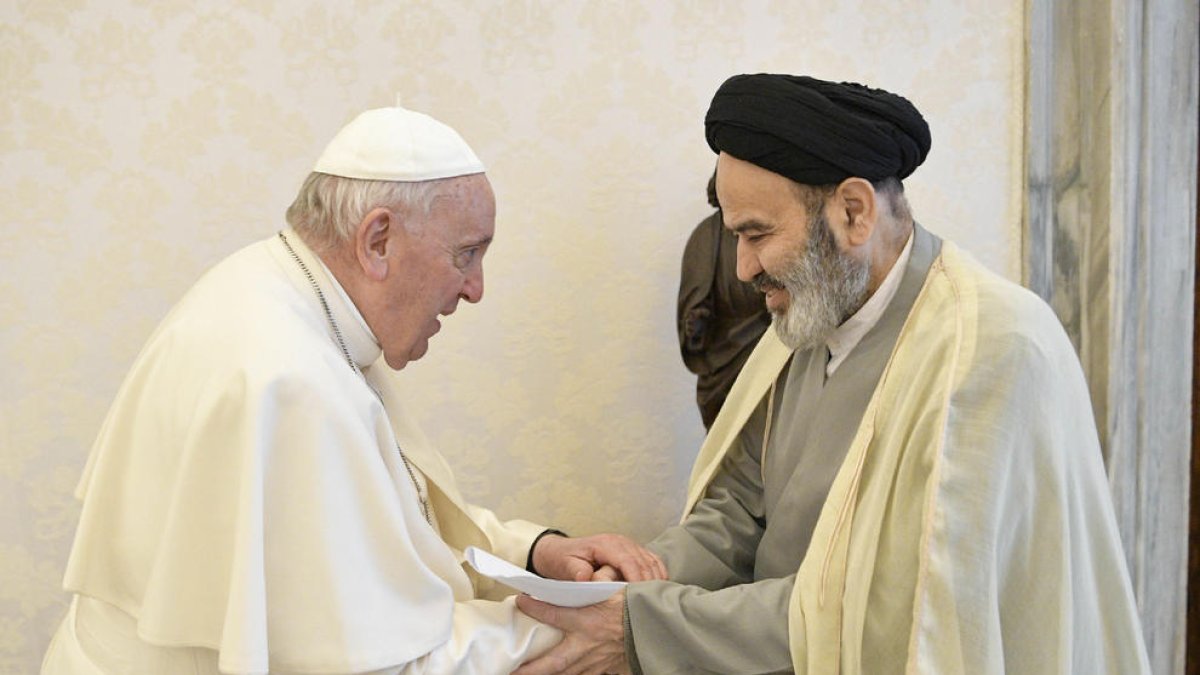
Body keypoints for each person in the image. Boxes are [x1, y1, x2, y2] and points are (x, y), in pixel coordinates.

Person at [514, 74, 1151, 674]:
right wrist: (637, 576)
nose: (741, 269)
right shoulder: (813, 314)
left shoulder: (989, 350)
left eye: (757, 234)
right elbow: (740, 507)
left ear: (853, 212)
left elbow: (892, 617)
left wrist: (640, 627)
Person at [42, 104, 664, 674]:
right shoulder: (288, 381)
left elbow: (397, 513)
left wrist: (535, 553)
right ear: (377, 240)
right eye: (466, 254)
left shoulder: (282, 294)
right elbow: (379, 663)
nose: (475, 288)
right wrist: (589, 628)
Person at [678, 169, 771, 429]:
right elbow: (694, 297)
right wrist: (696, 321)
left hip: (767, 343)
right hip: (723, 355)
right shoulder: (706, 235)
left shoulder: (770, 229)